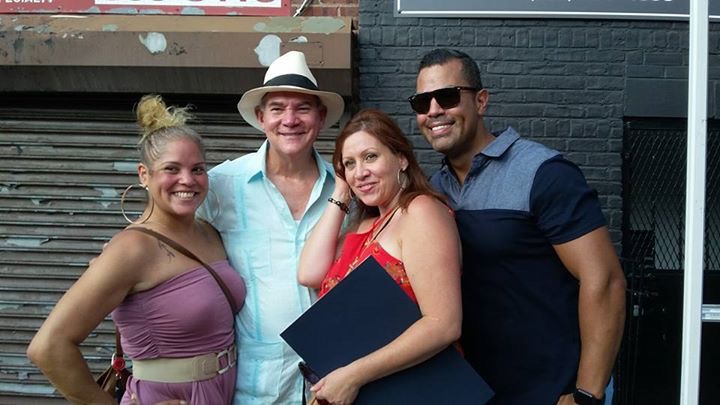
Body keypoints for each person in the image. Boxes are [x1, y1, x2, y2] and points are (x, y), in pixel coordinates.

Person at [411, 48, 626, 405]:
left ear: (481, 101)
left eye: (447, 96)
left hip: (552, 390)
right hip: (476, 392)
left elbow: (604, 280)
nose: (433, 111)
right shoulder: (433, 191)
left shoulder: (544, 173)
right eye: (422, 102)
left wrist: (587, 393)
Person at [27, 95, 246, 404]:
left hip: (223, 392)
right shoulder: (132, 248)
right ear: (144, 175)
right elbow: (48, 347)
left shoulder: (208, 232)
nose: (187, 180)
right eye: (172, 169)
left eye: (197, 169)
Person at [196, 50, 345, 404]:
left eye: (302, 108)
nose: (289, 120)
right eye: (277, 108)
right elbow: (172, 234)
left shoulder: (346, 187)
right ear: (262, 118)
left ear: (321, 117)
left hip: (335, 379)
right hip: (255, 388)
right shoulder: (222, 184)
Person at [297, 108, 462, 404]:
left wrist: (353, 376)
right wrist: (342, 192)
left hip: (413, 391)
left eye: (370, 157)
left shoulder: (420, 212)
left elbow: (444, 324)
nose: (359, 172)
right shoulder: (363, 226)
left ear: (401, 159)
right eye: (349, 163)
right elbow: (309, 273)